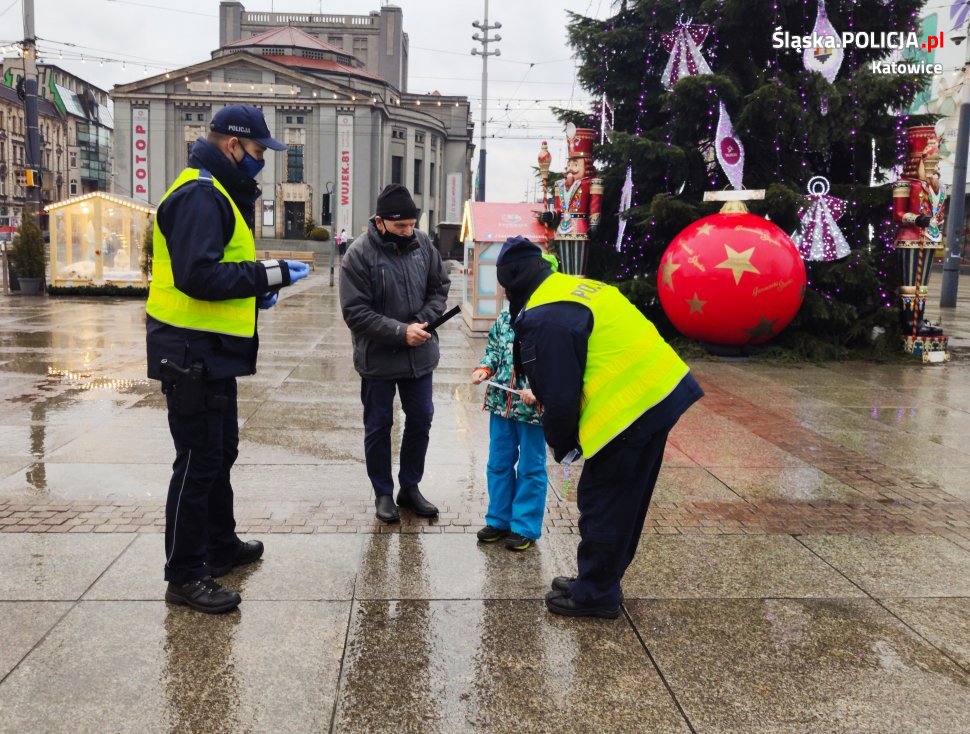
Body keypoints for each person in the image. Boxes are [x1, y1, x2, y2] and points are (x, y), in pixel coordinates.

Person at [146, 104, 310, 614]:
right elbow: (198, 276)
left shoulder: (215, 191)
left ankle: (219, 544)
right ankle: (185, 573)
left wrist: (252, 291)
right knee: (196, 463)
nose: (262, 161)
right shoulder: (200, 194)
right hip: (190, 351)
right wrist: (268, 276)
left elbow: (216, 271)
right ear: (233, 145)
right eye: (260, 151)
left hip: (210, 352)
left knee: (220, 454)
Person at [495, 236, 703, 618]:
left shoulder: (544, 315)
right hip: (658, 390)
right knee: (624, 501)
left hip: (631, 409)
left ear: (512, 283)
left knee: (603, 502)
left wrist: (562, 445)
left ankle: (596, 595)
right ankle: (598, 578)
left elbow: (558, 398)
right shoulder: (573, 287)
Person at [340, 183, 451, 523]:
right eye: (400, 226)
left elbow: (440, 289)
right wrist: (400, 332)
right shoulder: (358, 255)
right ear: (380, 221)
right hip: (378, 358)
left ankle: (410, 487)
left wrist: (423, 322)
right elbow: (355, 313)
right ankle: (383, 493)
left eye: (411, 224)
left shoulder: (423, 245)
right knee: (378, 426)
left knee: (421, 420)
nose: (408, 231)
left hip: (420, 356)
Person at [471, 303, 547, 552]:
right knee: (498, 464)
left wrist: (539, 389)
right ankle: (498, 520)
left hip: (532, 410)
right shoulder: (505, 316)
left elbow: (556, 362)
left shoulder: (548, 318)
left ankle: (524, 526)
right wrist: (484, 368)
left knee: (531, 467)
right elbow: (494, 350)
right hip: (501, 403)